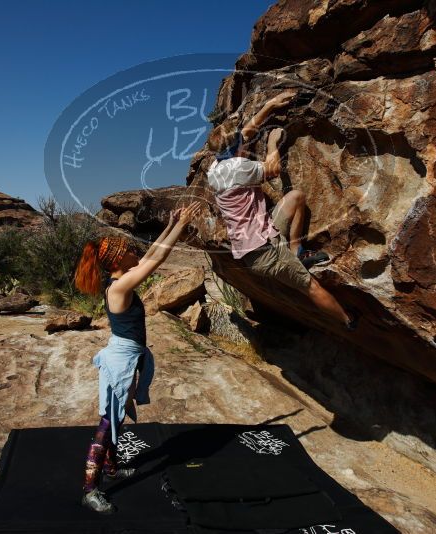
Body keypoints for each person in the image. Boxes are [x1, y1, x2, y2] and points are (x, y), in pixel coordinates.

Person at [73, 201, 201, 514]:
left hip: (127, 356)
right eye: (130, 250)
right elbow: (155, 261)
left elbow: (151, 255)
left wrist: (171, 225)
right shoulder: (119, 287)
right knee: (107, 422)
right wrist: (183, 225)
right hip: (120, 361)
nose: (136, 252)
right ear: (119, 259)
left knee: (117, 413)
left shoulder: (119, 278)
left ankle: (113, 468)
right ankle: (90, 490)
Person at [206, 90, 358, 331]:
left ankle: (297, 249)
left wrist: (269, 105)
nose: (245, 145)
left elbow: (243, 134)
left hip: (256, 243)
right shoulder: (239, 168)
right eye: (241, 146)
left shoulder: (215, 168)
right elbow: (272, 169)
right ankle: (348, 320)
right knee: (310, 286)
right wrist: (271, 144)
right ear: (236, 151)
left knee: (295, 198)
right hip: (265, 251)